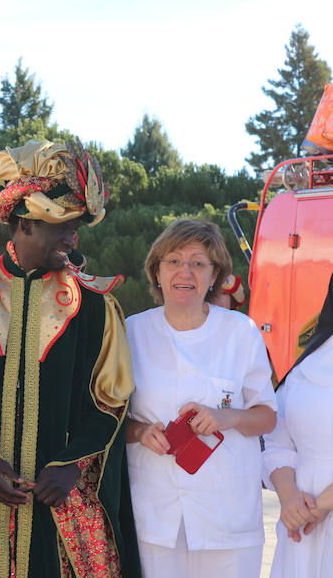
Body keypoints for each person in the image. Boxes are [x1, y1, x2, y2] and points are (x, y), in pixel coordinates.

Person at [0, 139, 141, 578]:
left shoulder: (95, 306)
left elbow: (112, 400)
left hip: (63, 500)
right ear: (23, 223)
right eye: (62, 226)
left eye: (76, 227)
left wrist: (72, 467)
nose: (72, 238)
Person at [125, 219, 277, 578]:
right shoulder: (131, 331)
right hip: (154, 512)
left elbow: (267, 416)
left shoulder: (240, 331)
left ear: (214, 276)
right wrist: (140, 432)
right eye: (173, 261)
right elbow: (110, 416)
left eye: (198, 262)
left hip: (226, 514)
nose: (185, 272)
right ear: (156, 272)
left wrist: (229, 417)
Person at [263, 274, 333, 577]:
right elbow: (278, 440)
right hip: (301, 523)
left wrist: (321, 505)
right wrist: (290, 497)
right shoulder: (312, 357)